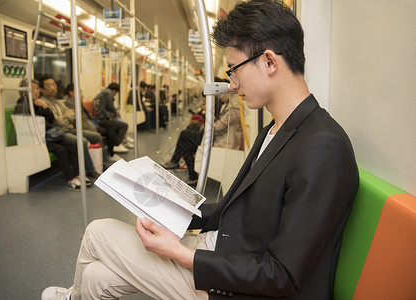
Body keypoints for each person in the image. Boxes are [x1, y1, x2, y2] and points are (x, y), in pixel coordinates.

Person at [42, 1, 359, 299]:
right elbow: (228, 211)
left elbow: (282, 276)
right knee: (97, 278)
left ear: (269, 61)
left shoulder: (322, 146)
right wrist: (170, 211)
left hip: (237, 285)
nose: (232, 84)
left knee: (99, 232)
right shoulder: (275, 130)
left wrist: (182, 254)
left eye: (234, 69)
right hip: (224, 248)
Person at [15, 78, 86, 190]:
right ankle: (71, 179)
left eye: (37, 88)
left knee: (74, 144)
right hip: (36, 138)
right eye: (32, 89)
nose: (35, 91)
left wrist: (45, 108)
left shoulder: (39, 103)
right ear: (24, 90)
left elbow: (50, 119)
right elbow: (25, 123)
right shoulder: (22, 104)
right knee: (60, 149)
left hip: (47, 135)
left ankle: (79, 175)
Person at [38, 75, 101, 180]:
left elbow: (72, 114)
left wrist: (64, 116)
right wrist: (64, 116)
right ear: (42, 89)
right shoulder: (43, 103)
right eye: (48, 85)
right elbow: (56, 121)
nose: (53, 88)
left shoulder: (58, 101)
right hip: (58, 133)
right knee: (82, 141)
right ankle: (90, 171)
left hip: (70, 129)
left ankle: (99, 165)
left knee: (96, 136)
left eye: (54, 84)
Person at [92, 83, 132, 153]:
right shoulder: (108, 93)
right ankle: (119, 143)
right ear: (114, 90)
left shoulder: (102, 93)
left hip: (99, 116)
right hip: (102, 117)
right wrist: (115, 113)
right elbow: (110, 106)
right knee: (122, 124)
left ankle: (122, 140)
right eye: (116, 92)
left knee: (117, 121)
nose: (115, 94)